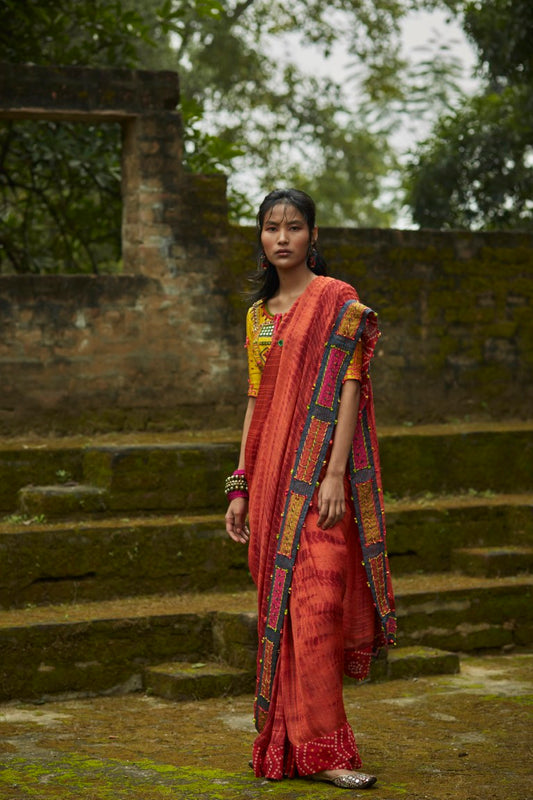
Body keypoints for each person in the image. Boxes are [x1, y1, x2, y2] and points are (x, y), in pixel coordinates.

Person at [225, 188, 396, 790]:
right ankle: (295, 748)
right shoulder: (257, 317)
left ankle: (327, 748)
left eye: (293, 227)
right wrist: (239, 484)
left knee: (319, 604)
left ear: (312, 236)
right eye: (271, 227)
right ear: (261, 237)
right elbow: (255, 405)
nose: (281, 237)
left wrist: (332, 473)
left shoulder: (336, 301)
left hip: (319, 480)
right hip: (269, 482)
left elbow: (350, 386)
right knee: (285, 614)